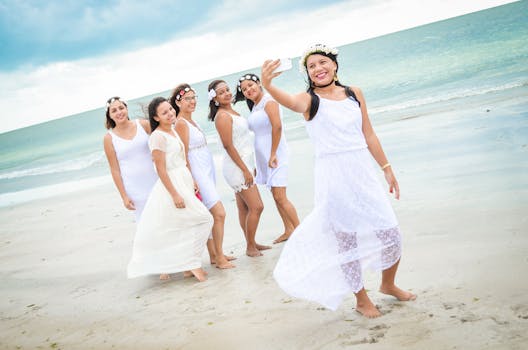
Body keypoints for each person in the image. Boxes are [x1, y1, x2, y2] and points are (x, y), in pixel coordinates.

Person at [261, 44, 416, 318]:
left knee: (390, 232)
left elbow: (368, 133)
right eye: (312, 66)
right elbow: (290, 102)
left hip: (363, 171)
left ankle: (388, 284)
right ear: (307, 74)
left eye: (323, 62)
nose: (318, 69)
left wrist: (387, 168)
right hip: (333, 175)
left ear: (334, 65)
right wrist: (268, 86)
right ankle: (361, 298)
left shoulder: (354, 93)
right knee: (347, 240)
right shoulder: (309, 100)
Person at [127, 97, 213, 281]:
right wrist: (174, 194)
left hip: (184, 180)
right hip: (172, 184)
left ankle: (188, 266)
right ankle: (192, 264)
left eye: (170, 110)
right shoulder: (157, 136)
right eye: (164, 112)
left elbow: (182, 158)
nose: (170, 113)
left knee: (188, 223)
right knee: (205, 218)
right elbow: (160, 169)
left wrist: (191, 179)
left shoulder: (173, 131)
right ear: (156, 118)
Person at [169, 83, 235, 269]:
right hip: (197, 172)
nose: (192, 101)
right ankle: (219, 257)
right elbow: (183, 155)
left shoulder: (192, 121)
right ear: (178, 102)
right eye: (187, 99)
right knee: (219, 212)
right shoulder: (181, 123)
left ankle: (214, 255)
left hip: (207, 168)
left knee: (209, 212)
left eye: (193, 98)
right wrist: (192, 179)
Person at [234, 74, 300, 244]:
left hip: (276, 153)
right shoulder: (256, 106)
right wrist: (258, 162)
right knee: (275, 194)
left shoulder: (269, 101)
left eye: (250, 85)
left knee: (280, 196)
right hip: (263, 155)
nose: (248, 90)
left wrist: (272, 154)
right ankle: (288, 229)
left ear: (258, 83)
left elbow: (277, 127)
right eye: (244, 89)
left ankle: (300, 231)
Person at [207, 80, 270, 257]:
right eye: (221, 92)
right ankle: (250, 247)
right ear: (215, 99)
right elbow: (228, 146)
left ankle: (252, 242)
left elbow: (241, 141)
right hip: (236, 167)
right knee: (257, 207)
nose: (227, 93)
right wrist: (244, 169)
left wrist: (250, 166)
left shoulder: (231, 111)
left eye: (227, 90)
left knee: (244, 208)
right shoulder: (222, 116)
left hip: (243, 163)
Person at [103, 96, 158, 222]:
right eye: (114, 110)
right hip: (134, 189)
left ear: (126, 109)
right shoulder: (109, 138)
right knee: (146, 223)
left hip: (156, 181)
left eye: (121, 108)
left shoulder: (143, 124)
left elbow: (160, 139)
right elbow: (115, 170)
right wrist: (124, 196)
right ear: (110, 116)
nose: (119, 112)